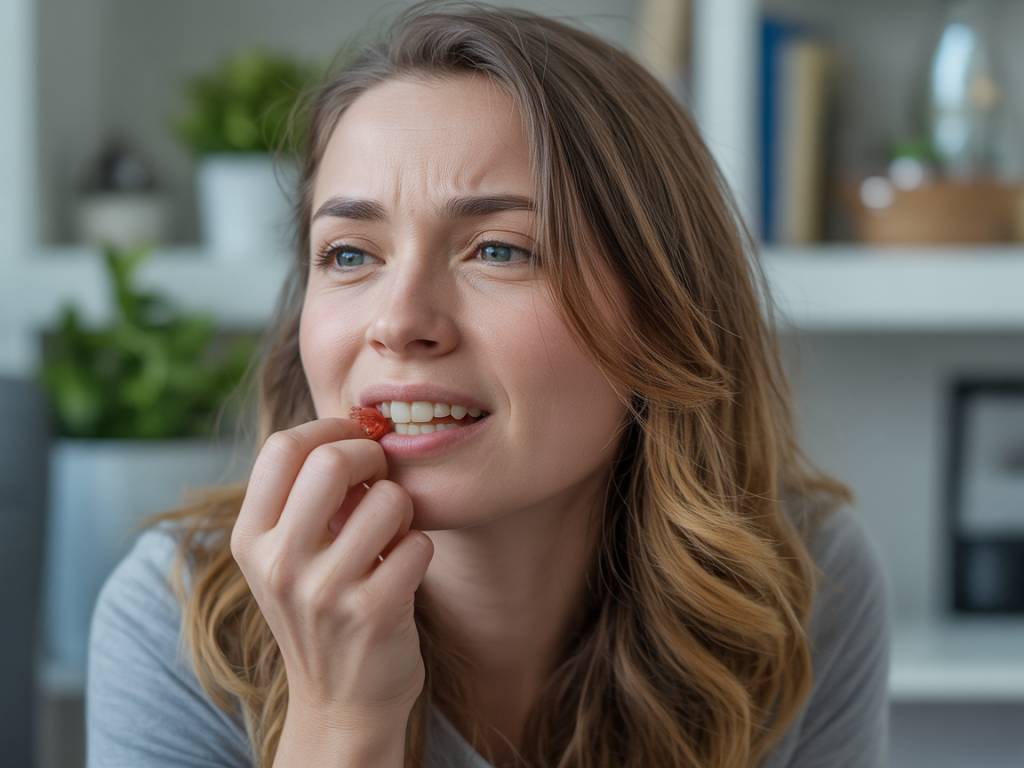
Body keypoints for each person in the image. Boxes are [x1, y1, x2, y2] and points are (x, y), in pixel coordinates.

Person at [86, 2, 890, 766]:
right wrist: (340, 721)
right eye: (350, 254)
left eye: (500, 250)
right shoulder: (174, 621)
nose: (398, 322)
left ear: (660, 309)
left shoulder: (805, 582)